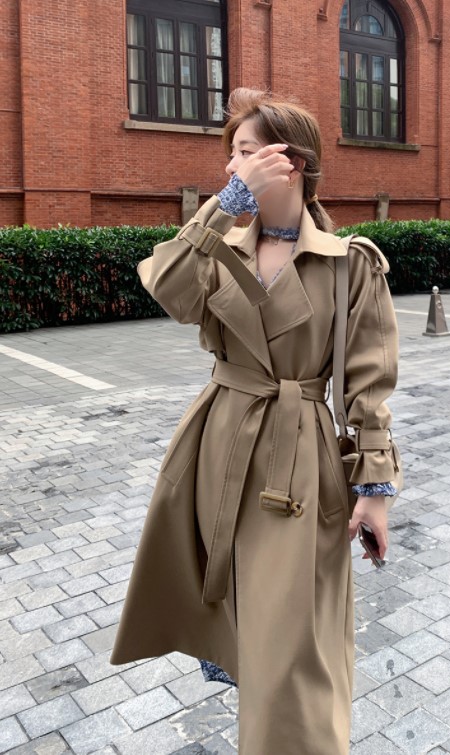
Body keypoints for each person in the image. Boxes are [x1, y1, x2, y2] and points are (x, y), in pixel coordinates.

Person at [110, 88, 401, 755]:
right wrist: (226, 205)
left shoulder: (350, 263)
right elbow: (168, 290)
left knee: (295, 648)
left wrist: (375, 488)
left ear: (287, 162)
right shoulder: (218, 247)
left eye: (245, 153)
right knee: (241, 623)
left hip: (299, 460)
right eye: (233, 154)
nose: (230, 167)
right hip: (217, 449)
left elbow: (368, 383)